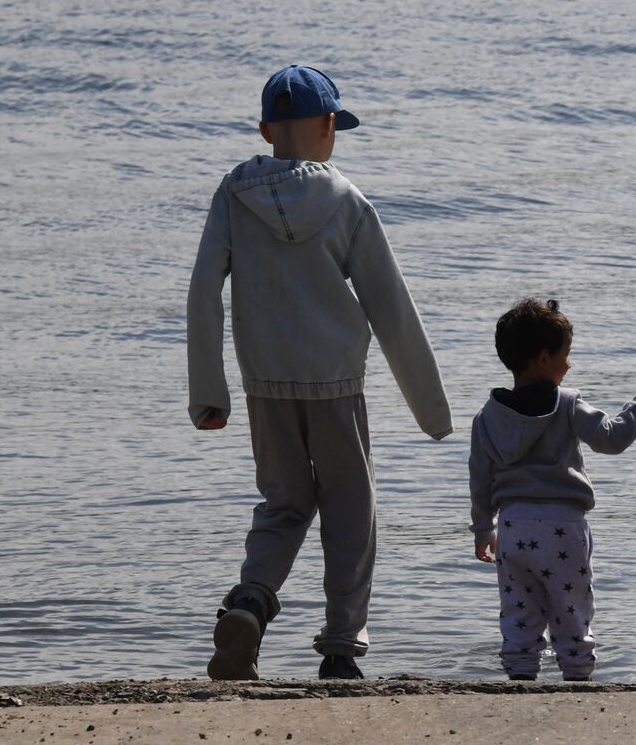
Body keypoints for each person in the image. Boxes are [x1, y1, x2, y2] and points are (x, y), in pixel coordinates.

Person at [187, 64, 453, 681]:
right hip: (335, 384)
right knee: (349, 512)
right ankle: (340, 648)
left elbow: (203, 291)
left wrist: (208, 392)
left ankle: (251, 600)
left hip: (264, 385)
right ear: (329, 127)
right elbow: (392, 306)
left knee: (283, 506)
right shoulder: (346, 200)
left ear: (263, 130)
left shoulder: (233, 194)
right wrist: (431, 410)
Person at [469, 298, 636, 680]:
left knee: (518, 609)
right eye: (567, 354)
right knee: (571, 607)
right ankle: (577, 676)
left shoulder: (486, 417)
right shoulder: (567, 404)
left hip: (512, 528)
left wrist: (483, 530)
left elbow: (479, 478)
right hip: (564, 526)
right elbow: (612, 439)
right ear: (544, 357)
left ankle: (520, 676)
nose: (570, 363)